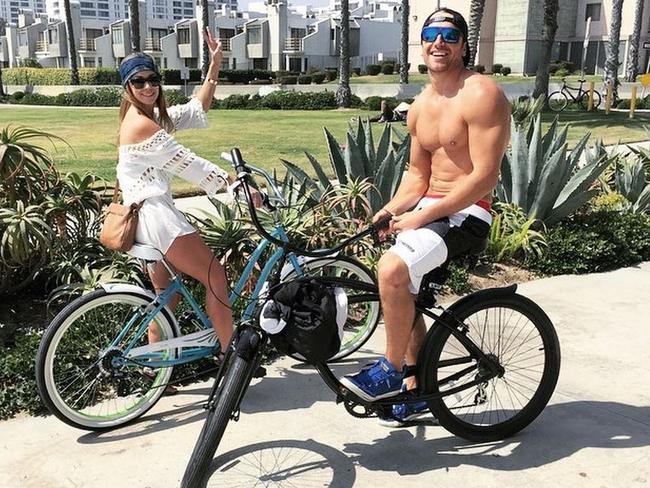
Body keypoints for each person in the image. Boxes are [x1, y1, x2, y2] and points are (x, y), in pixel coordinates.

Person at [340, 8, 510, 426]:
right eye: (432, 34)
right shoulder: (420, 106)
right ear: (422, 43)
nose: (439, 42)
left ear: (464, 45)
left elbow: (485, 176)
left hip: (468, 213)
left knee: (393, 269)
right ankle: (417, 391)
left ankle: (390, 371)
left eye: (449, 35)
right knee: (404, 293)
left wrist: (422, 217)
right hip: (430, 211)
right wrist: (389, 211)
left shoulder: (482, 93)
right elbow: (418, 176)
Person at [116, 29, 260, 387]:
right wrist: (233, 181)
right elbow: (188, 163)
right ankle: (232, 363)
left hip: (145, 219)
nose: (148, 87)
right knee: (215, 276)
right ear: (127, 87)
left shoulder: (149, 116)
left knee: (168, 296)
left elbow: (197, 109)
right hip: (157, 218)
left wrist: (214, 64)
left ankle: (155, 371)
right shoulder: (140, 125)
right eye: (139, 81)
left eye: (153, 79)